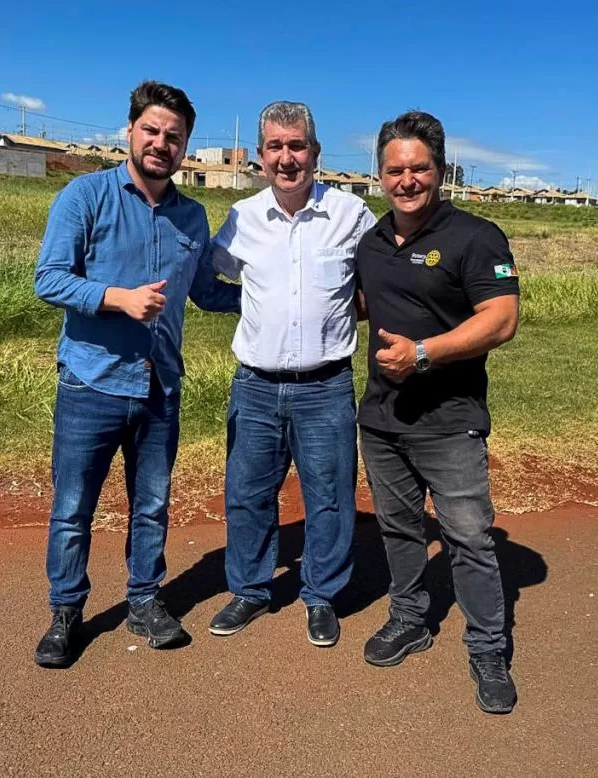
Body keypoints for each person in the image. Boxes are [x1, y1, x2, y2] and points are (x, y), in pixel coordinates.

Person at [32, 81, 241, 667]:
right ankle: (65, 611)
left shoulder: (193, 216)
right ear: (130, 131)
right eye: (151, 131)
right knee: (73, 508)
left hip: (159, 387)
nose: (161, 143)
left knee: (151, 505)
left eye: (174, 137)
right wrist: (115, 298)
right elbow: (48, 279)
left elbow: (204, 291)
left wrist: (278, 297)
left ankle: (145, 601)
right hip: (90, 382)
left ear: (185, 148)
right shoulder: (85, 196)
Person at [354, 111, 520, 714]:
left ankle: (488, 648)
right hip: (381, 419)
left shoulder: (477, 236)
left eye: (418, 168)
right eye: (395, 169)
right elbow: (360, 305)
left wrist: (424, 355)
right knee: (398, 530)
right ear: (379, 174)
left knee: (468, 537)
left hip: (451, 421)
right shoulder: (370, 242)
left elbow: (501, 319)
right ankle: (409, 618)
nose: (406, 180)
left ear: (440, 170)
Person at [207, 101, 376, 647]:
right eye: (276, 147)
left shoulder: (352, 215)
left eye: (296, 145)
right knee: (248, 494)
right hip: (255, 386)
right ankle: (251, 591)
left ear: (316, 152)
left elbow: (380, 286)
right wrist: (260, 312)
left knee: (329, 494)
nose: (287, 158)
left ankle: (321, 596)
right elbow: (215, 281)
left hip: (325, 387)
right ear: (260, 156)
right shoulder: (242, 217)